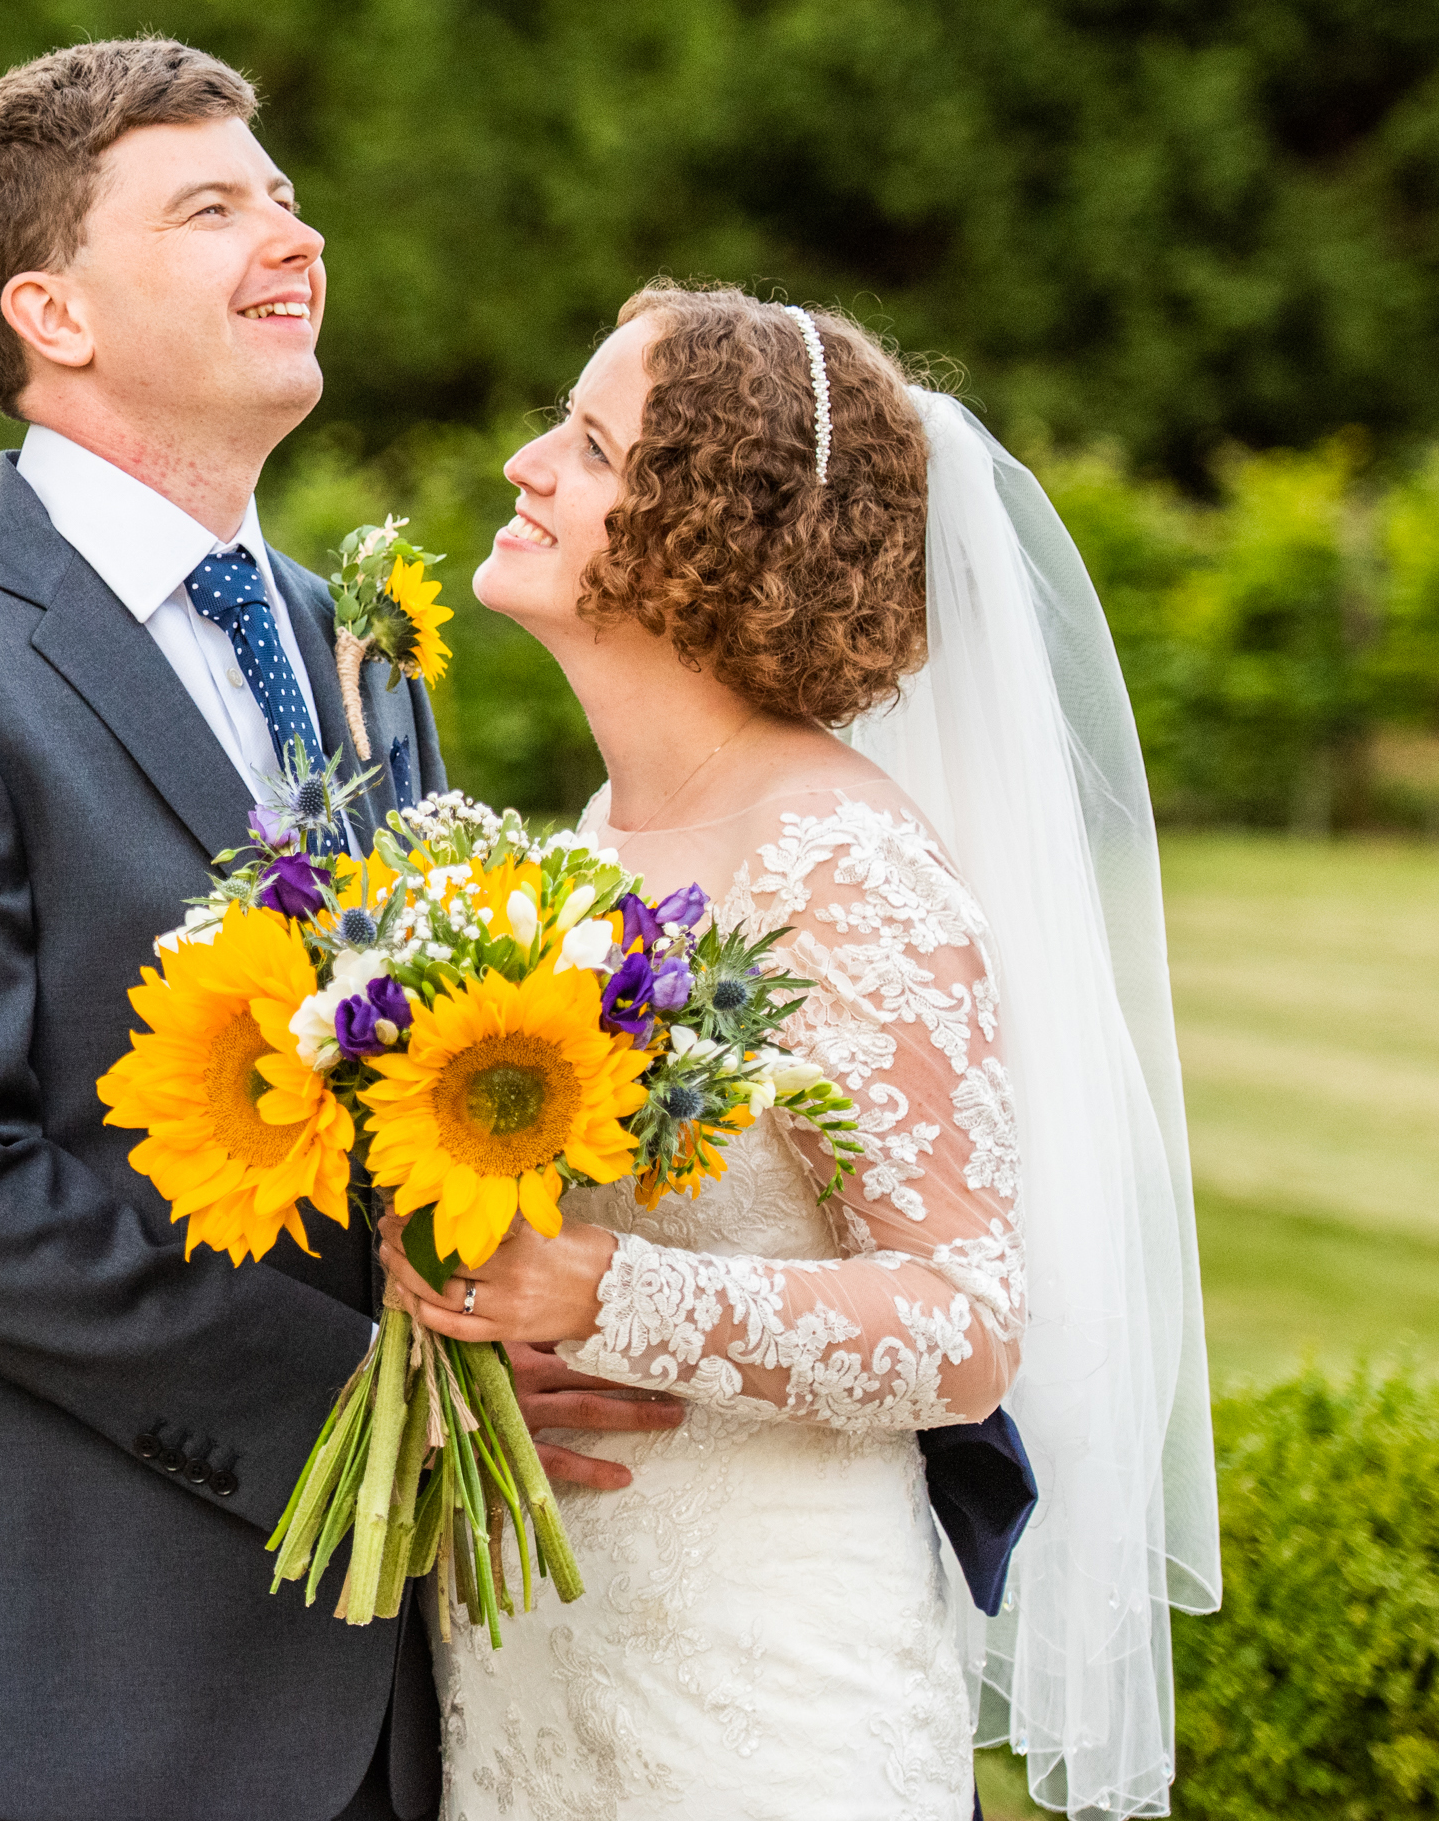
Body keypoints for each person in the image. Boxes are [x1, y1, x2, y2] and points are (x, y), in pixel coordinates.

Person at [0, 38, 666, 1821]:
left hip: (382, 1686)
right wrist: (368, 1402)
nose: (292, 236)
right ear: (54, 314)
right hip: (77, 1680)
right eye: (213, 207)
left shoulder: (350, 637)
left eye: (287, 197)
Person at [402, 285, 1216, 1821]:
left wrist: (610, 1296)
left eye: (586, 443)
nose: (524, 463)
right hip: (546, 1656)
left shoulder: (840, 863)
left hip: (763, 1680)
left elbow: (964, 1323)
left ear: (701, 530)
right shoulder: (596, 846)